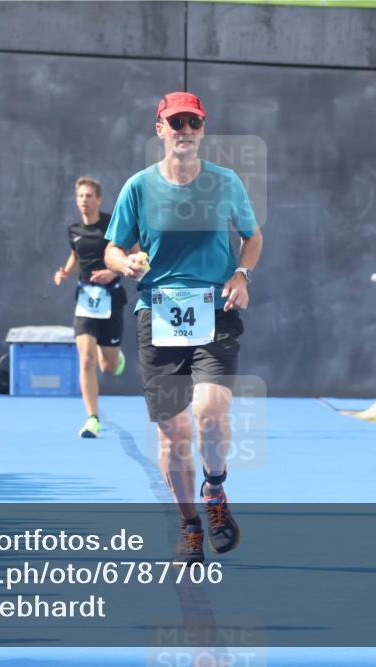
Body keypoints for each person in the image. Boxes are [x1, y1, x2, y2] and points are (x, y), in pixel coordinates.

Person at [104, 92, 263, 564]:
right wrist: (125, 261)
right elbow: (111, 249)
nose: (185, 131)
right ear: (160, 129)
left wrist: (241, 275)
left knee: (211, 412)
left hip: (215, 310)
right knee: (173, 434)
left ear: (203, 130)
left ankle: (215, 490)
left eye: (193, 122)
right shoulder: (137, 187)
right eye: (176, 123)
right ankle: (190, 524)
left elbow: (251, 237)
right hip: (158, 314)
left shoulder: (225, 182)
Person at [53, 177, 128, 438]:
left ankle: (115, 358)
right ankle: (92, 419)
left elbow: (131, 255)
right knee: (85, 360)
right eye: (80, 196)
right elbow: (76, 254)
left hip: (111, 298)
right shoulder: (73, 230)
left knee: (107, 366)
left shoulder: (112, 225)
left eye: (89, 196)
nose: (84, 201)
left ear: (99, 199)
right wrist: (64, 271)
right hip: (85, 300)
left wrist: (112, 272)